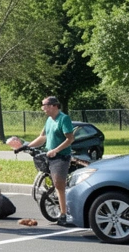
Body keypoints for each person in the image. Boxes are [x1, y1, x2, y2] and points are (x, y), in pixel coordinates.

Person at [15, 95, 82, 226]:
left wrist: (56, 150)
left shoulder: (63, 119)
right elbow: (42, 137)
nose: (43, 109)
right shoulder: (49, 120)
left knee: (59, 184)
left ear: (53, 106)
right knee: (55, 184)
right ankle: (61, 209)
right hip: (50, 156)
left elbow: (70, 139)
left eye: (44, 106)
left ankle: (64, 214)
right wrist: (26, 146)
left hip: (61, 157)